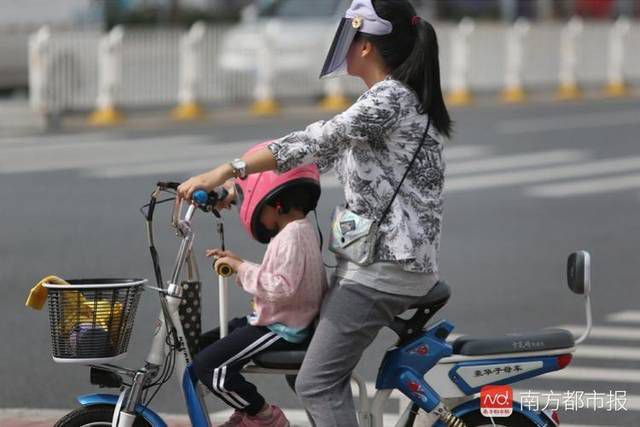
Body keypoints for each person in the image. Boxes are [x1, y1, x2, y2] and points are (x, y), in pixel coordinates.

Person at [179, 0, 452, 425]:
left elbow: (315, 138)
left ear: (366, 45)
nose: (345, 45)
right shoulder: (390, 100)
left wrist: (227, 168)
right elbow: (309, 163)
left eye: (352, 37)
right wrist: (235, 191)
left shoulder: (389, 100)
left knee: (316, 383)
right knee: (303, 368)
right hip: (374, 264)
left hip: (381, 272)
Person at [191, 142, 328, 427]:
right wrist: (240, 264)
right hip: (276, 319)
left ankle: (263, 416)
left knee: (209, 365)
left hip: (283, 328)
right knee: (204, 344)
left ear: (275, 204)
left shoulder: (292, 236)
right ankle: (246, 411)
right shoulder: (297, 231)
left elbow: (280, 287)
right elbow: (280, 279)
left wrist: (240, 268)